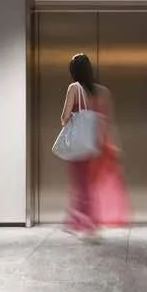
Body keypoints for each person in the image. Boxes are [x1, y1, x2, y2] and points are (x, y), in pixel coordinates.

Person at [60, 53, 129, 238]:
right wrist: (112, 145)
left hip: (79, 144)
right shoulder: (102, 92)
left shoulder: (74, 89)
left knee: (80, 184)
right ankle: (90, 221)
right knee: (92, 184)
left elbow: (65, 117)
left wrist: (71, 118)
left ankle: (84, 222)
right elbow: (108, 122)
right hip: (99, 145)